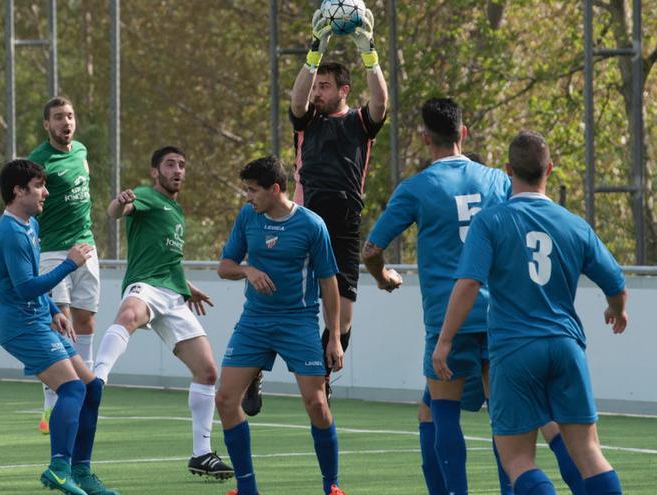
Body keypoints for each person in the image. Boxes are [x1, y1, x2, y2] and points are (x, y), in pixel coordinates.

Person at [433, 131, 627, 495]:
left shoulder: (490, 221)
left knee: (518, 460)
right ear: (549, 169)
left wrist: (444, 341)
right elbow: (616, 284)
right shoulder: (573, 224)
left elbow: (468, 285)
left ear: (508, 171)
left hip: (514, 349)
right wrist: (617, 311)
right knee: (588, 452)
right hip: (566, 345)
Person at [237, 3, 389, 415]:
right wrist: (315, 50)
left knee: (343, 315)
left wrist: (368, 51)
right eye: (315, 84)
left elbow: (381, 104)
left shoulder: (359, 122)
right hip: (303, 219)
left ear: (343, 90)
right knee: (274, 297)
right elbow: (296, 99)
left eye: (325, 85)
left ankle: (322, 376)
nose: (317, 91)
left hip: (344, 224)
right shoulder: (308, 121)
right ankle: (254, 370)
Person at [362, 98, 509, 494]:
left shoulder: (417, 187)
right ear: (464, 132)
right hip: (497, 314)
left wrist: (383, 277)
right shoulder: (497, 180)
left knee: (440, 413)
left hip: (448, 320)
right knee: (504, 419)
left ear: (424, 137)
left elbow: (371, 250)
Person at [92, 146, 233, 479]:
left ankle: (201, 455)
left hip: (174, 295)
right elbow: (116, 211)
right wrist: (120, 202)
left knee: (208, 372)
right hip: (147, 286)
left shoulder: (176, 210)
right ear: (155, 172)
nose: (178, 170)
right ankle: (96, 380)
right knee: (128, 315)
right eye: (170, 165)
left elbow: (167, 259)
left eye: (182, 165)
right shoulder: (144, 195)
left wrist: (187, 286)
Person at [215, 156, 347, 495]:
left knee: (316, 403)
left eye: (253, 190)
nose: (248, 197)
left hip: (298, 321)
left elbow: (329, 282)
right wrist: (248, 270)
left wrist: (334, 337)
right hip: (255, 321)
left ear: (275, 190)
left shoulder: (311, 225)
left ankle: (332, 486)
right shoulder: (248, 216)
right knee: (225, 399)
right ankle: (247, 489)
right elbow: (225, 265)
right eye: (247, 190)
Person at [0, 159, 117, 495]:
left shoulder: (29, 225)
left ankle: (82, 472)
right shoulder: (11, 232)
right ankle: (59, 467)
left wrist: (52, 310)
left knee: (91, 389)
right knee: (72, 389)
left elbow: (33, 289)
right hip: (20, 327)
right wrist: (68, 264)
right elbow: (25, 287)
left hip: (37, 320)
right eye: (39, 186)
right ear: (19, 190)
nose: (45, 192)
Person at [28, 96, 100, 435]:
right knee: (61, 322)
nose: (65, 123)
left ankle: (82, 388)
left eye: (70, 116)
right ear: (47, 125)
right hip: (54, 252)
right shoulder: (39, 161)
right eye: (58, 118)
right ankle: (53, 398)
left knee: (86, 321)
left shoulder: (82, 152)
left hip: (86, 247)